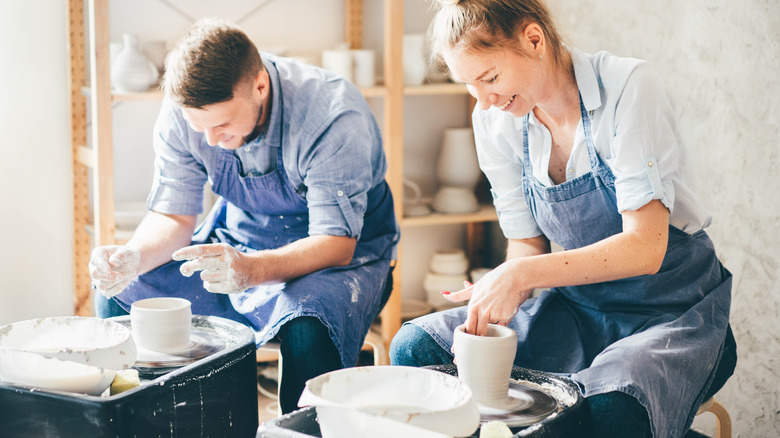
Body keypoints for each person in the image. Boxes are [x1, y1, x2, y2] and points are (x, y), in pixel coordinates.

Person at [389, 1, 736, 437]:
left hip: (672, 310)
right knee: (416, 347)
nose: (485, 101)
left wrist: (518, 275)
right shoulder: (495, 120)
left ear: (534, 40)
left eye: (490, 78)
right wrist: (496, 303)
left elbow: (647, 248)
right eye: (469, 86)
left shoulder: (628, 87)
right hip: (579, 306)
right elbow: (526, 245)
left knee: (610, 405)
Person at [89, 18, 399, 414]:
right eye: (198, 127)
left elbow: (336, 242)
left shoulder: (331, 116)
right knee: (119, 292)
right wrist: (132, 256)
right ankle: (152, 421)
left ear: (260, 86)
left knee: (307, 324)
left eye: (223, 124)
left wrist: (251, 270)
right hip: (239, 238)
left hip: (339, 255)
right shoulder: (184, 109)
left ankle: (299, 427)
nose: (211, 140)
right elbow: (174, 215)